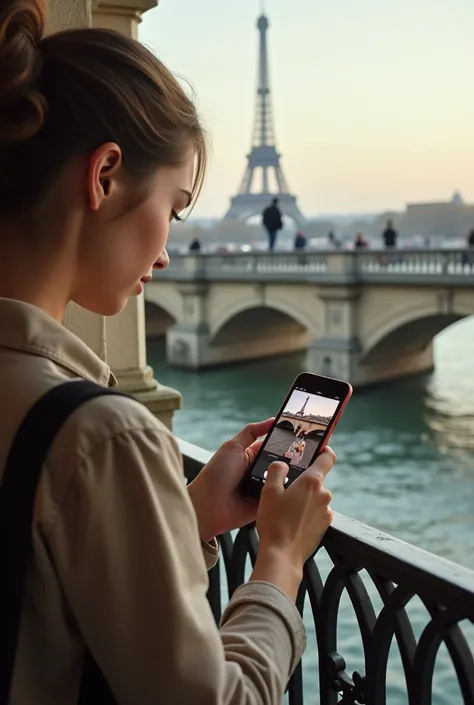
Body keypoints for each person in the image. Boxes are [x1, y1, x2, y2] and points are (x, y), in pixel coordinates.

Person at [0, 2, 336, 704]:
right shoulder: (101, 435)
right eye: (176, 208)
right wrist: (279, 560)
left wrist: (186, 514)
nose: (167, 248)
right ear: (105, 176)